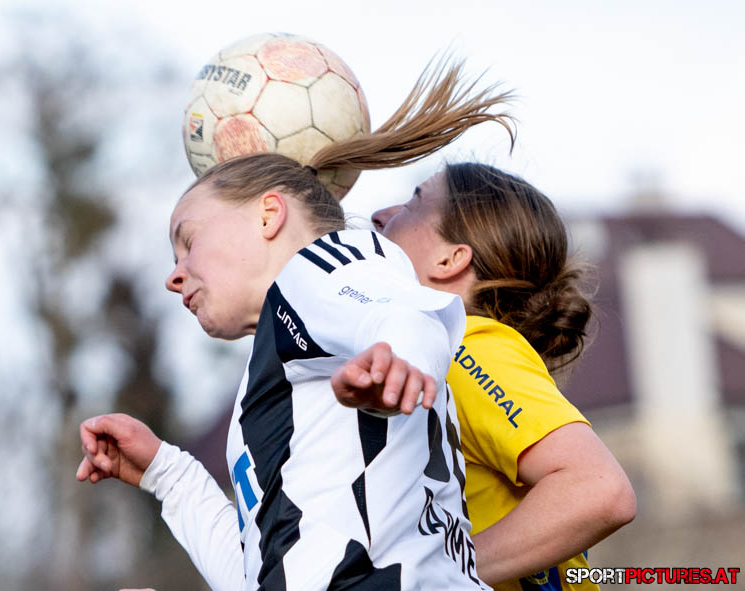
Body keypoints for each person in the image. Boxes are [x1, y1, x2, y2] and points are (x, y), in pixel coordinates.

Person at [77, 58, 515, 590]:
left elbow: (404, 314)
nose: (174, 275)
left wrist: (402, 360)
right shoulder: (279, 371)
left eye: (188, 241)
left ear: (268, 215)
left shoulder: (323, 267)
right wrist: (169, 475)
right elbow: (261, 571)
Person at [362, 163, 637, 591]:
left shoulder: (465, 345)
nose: (381, 214)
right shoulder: (432, 353)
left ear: (450, 258)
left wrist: (437, 577)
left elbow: (599, 490)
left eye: (414, 201)